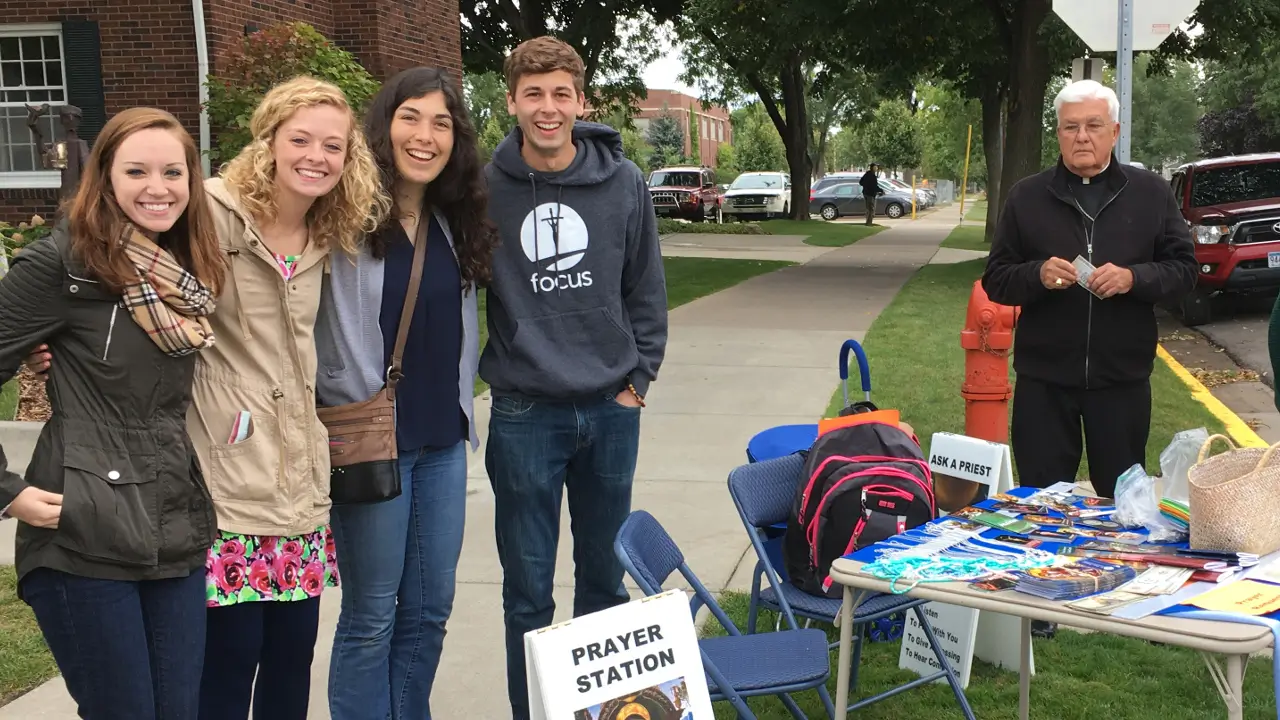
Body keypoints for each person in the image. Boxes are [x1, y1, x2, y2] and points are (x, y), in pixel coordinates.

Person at [0, 107, 225, 719]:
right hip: (84, 535)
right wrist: (7, 490)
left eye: (173, 171)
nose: (158, 188)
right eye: (137, 171)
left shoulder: (185, 276)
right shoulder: (63, 265)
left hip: (173, 527)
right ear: (104, 177)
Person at [481, 35, 668, 718]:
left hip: (611, 409)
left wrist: (638, 379)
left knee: (603, 583)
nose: (548, 107)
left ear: (581, 101)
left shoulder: (622, 184)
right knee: (527, 593)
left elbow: (646, 289)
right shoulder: (484, 189)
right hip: (525, 414)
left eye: (562, 93)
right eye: (534, 93)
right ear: (512, 102)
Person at [981, 79, 1196, 633]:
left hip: (1120, 378)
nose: (1082, 136)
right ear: (1058, 133)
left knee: (1122, 499)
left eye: (1093, 125)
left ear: (1115, 131)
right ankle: (1039, 610)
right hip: (1044, 379)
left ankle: (1118, 603)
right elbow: (997, 278)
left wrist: (1134, 278)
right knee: (1040, 500)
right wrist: (1035, 275)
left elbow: (1183, 270)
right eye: (1071, 126)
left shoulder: (1150, 194)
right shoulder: (1028, 197)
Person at [315, 66, 496, 720]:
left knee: (430, 609)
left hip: (443, 442)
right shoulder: (341, 219)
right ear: (383, 128)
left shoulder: (452, 222)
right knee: (370, 615)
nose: (426, 135)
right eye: (411, 118)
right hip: (369, 443)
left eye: (441, 122)